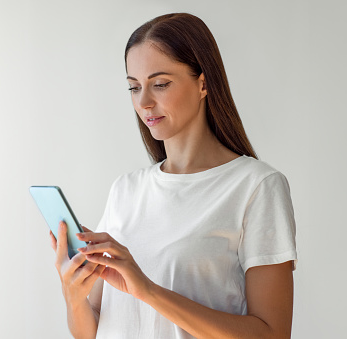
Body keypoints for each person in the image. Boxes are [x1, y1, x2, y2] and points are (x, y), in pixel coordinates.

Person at [50, 13, 297, 339]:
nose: (144, 102)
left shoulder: (256, 187)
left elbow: (272, 334)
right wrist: (72, 293)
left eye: (161, 84)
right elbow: (92, 331)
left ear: (203, 83)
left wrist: (148, 291)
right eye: (134, 87)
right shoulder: (126, 190)